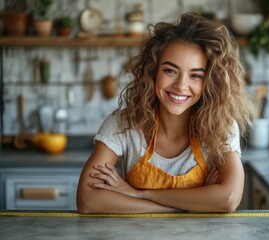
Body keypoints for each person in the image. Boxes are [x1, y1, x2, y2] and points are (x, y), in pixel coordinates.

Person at [76, 13, 253, 213]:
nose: (180, 86)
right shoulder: (123, 123)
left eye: (195, 75)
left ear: (210, 82)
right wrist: (192, 205)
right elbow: (87, 200)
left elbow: (228, 199)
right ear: (153, 71)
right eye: (170, 71)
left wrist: (138, 194)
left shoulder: (222, 126)